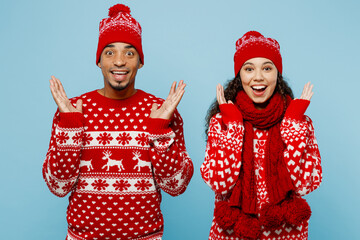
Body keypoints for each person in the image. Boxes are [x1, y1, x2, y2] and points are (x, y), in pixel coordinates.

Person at [42, 4, 193, 240]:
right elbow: (58, 186)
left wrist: (159, 130)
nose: (120, 61)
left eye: (129, 53)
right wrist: (70, 126)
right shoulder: (72, 110)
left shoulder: (161, 110)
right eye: (110, 52)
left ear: (140, 62)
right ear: (99, 61)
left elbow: (176, 185)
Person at [200, 31, 322, 240]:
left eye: (267, 68)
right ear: (240, 76)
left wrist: (293, 125)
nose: (258, 77)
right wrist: (234, 127)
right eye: (249, 69)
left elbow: (304, 184)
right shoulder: (221, 122)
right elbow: (220, 184)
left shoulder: (299, 122)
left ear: (277, 74)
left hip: (286, 231)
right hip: (233, 231)